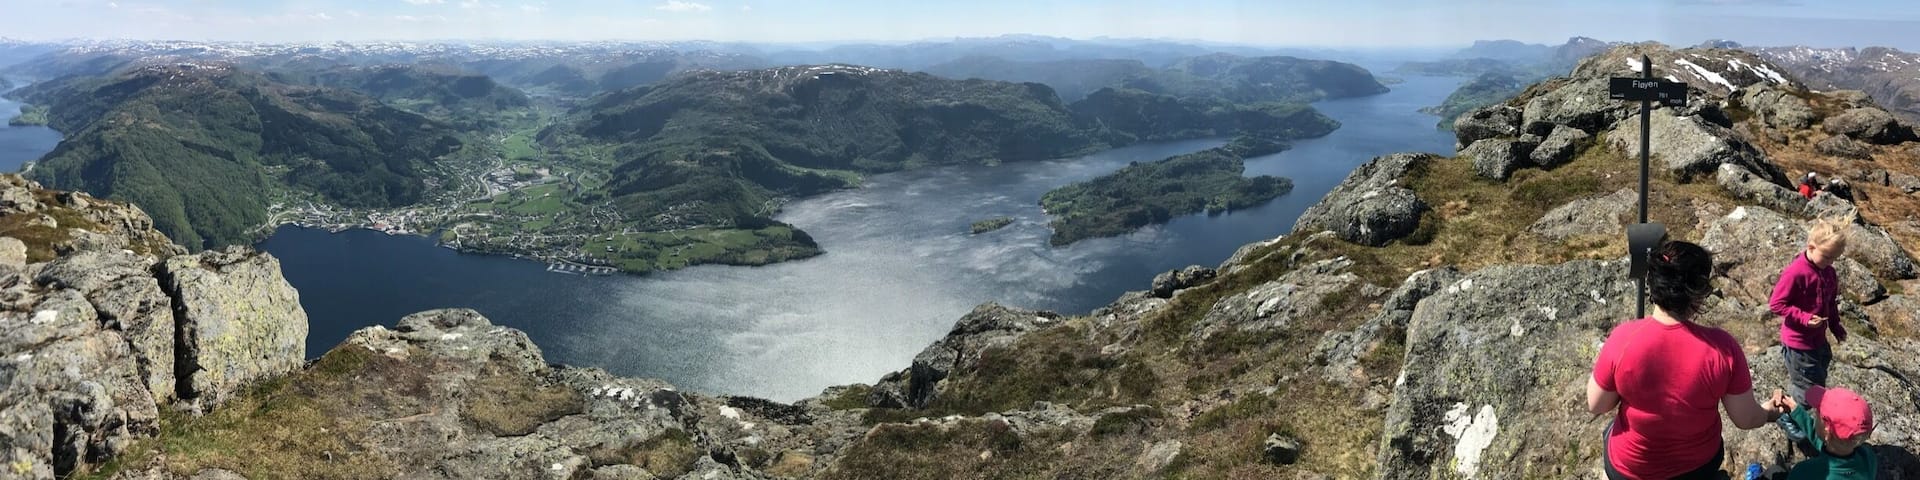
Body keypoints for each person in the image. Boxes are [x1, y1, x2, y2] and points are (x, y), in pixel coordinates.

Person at [1589, 241, 1789, 479]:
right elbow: (1746, 419)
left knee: (1609, 432)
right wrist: (1769, 412)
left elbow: (1597, 405)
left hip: (1629, 470)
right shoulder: (1722, 349)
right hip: (1697, 467)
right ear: (1699, 292)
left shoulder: (1623, 337)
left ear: (1653, 284)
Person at [1769, 216, 1851, 404]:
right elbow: (1776, 304)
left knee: (1818, 377)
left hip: (1818, 339)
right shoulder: (1796, 272)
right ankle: (1794, 422)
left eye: (1834, 258)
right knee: (1809, 391)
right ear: (1811, 247)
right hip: (1798, 343)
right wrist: (1804, 317)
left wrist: (1835, 326)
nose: (1830, 262)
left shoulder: (1829, 272)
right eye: (1827, 256)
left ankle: (1793, 402)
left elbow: (1831, 302)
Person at [1780, 386, 1878, 479]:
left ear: (1826, 430)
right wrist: (1795, 411)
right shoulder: (1868, 457)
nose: (1815, 413)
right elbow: (1828, 441)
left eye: (1818, 411)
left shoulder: (1804, 472)